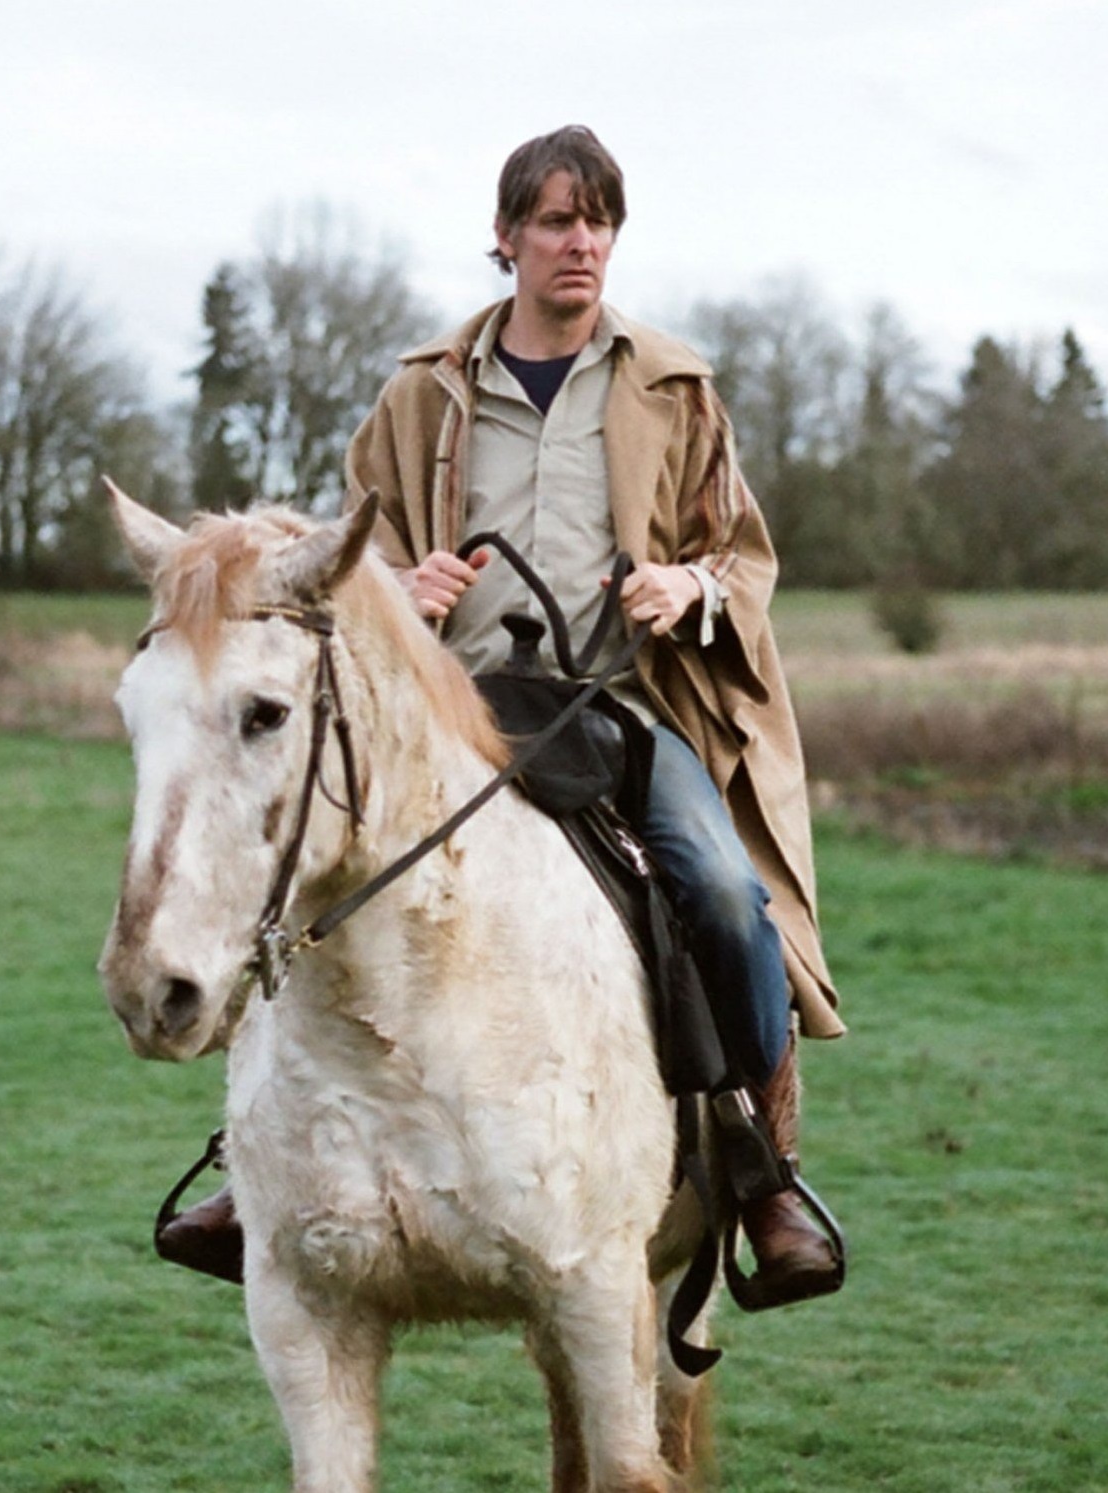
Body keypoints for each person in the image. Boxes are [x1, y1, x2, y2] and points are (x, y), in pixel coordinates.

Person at [158, 124, 845, 1305]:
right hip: (448, 719)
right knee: (306, 870)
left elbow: (742, 554)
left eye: (599, 222)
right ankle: (252, 1163)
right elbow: (341, 561)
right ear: (507, 236)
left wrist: (686, 586)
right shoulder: (420, 393)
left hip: (615, 712)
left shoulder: (675, 390)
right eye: (557, 220)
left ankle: (762, 1170)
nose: (582, 242)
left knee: (729, 897)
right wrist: (398, 586)